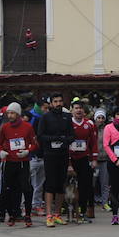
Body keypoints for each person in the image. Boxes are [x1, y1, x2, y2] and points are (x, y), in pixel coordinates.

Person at [0, 102, 38, 227]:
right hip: (9, 162)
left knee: (26, 188)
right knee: (8, 189)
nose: (10, 115)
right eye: (8, 113)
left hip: (23, 163)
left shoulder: (27, 127)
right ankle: (12, 214)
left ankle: (28, 214)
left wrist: (27, 151)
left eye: (12, 113)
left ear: (18, 114)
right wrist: (1, 152)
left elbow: (35, 144)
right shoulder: (5, 127)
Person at [36, 92, 74, 227]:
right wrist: (54, 139)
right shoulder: (45, 117)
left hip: (63, 154)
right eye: (55, 101)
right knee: (50, 184)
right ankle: (49, 215)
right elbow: (40, 136)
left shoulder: (67, 117)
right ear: (51, 103)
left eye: (60, 101)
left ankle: (57, 214)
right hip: (49, 154)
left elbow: (72, 135)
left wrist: (65, 140)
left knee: (61, 184)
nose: (58, 104)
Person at [69, 101, 98, 224]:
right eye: (76, 108)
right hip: (71, 159)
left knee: (85, 186)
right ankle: (68, 212)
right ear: (72, 110)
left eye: (80, 108)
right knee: (68, 187)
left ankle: (82, 211)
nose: (78, 110)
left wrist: (94, 159)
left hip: (84, 158)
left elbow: (93, 143)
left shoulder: (89, 124)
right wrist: (68, 163)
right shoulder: (68, 123)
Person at [93, 109, 110, 209]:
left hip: (105, 158)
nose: (100, 120)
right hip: (94, 159)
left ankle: (105, 202)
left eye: (102, 118)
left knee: (105, 182)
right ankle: (91, 201)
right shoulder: (91, 128)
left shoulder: (107, 129)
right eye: (98, 118)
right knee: (92, 182)